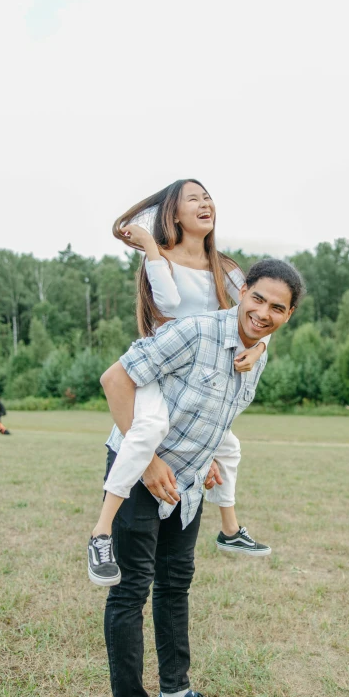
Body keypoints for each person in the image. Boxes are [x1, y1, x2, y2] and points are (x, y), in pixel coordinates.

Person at [97, 259, 304, 697]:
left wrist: (207, 456)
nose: (263, 313)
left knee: (175, 587)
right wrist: (147, 461)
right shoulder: (195, 332)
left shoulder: (257, 353)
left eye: (277, 308)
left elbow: (212, 411)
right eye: (257, 299)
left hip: (186, 482)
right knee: (130, 592)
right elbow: (115, 379)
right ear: (242, 293)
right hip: (142, 473)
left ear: (288, 315)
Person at [88, 179, 271, 588]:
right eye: (195, 199)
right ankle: (100, 535)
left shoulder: (228, 269)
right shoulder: (162, 259)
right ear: (173, 214)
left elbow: (258, 313)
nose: (206, 204)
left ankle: (230, 529)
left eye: (208, 198)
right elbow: (169, 304)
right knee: (147, 430)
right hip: (163, 374)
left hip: (200, 386)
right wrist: (152, 249)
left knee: (229, 447)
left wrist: (259, 350)